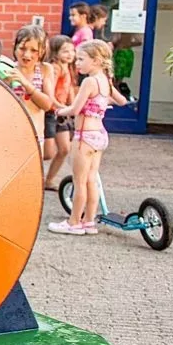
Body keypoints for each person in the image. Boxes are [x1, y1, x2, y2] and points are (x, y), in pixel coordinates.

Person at [50, 40, 116, 235]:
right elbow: (120, 100)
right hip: (100, 135)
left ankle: (73, 222)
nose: (77, 63)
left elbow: (75, 108)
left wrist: (59, 111)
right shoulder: (105, 81)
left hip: (84, 137)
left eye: (81, 59)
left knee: (79, 182)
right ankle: (89, 221)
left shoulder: (89, 81)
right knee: (91, 180)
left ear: (95, 61)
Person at [4, 25, 59, 147]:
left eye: (34, 50)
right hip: (11, 134)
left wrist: (25, 83)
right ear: (15, 47)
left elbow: (47, 104)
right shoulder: (7, 70)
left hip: (35, 136)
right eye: (22, 48)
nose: (27, 55)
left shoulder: (45, 69)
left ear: (42, 51)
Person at [43, 35, 78, 191]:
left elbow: (69, 90)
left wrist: (74, 106)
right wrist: (62, 107)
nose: (70, 54)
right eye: (65, 51)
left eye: (72, 50)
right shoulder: (55, 68)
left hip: (62, 113)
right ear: (55, 53)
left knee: (64, 149)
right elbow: (50, 93)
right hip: (52, 113)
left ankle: (49, 180)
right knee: (48, 153)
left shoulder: (68, 68)